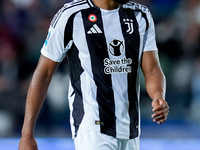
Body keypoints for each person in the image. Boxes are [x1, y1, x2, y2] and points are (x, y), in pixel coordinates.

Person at [18, 0, 169, 149]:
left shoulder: (141, 15)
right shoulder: (71, 15)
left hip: (130, 128)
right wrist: (27, 134)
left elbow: (152, 69)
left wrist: (158, 96)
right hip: (92, 127)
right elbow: (44, 72)